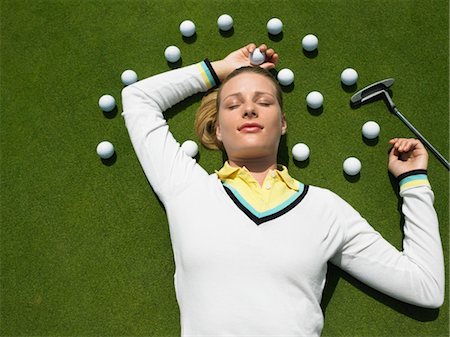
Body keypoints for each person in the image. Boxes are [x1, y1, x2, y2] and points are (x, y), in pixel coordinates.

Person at [121, 43, 444, 336]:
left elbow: (425, 288)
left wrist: (413, 183)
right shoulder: (188, 189)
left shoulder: (324, 209)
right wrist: (222, 69)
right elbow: (138, 99)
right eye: (233, 105)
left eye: (263, 102)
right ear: (218, 129)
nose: (249, 109)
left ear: (283, 123)